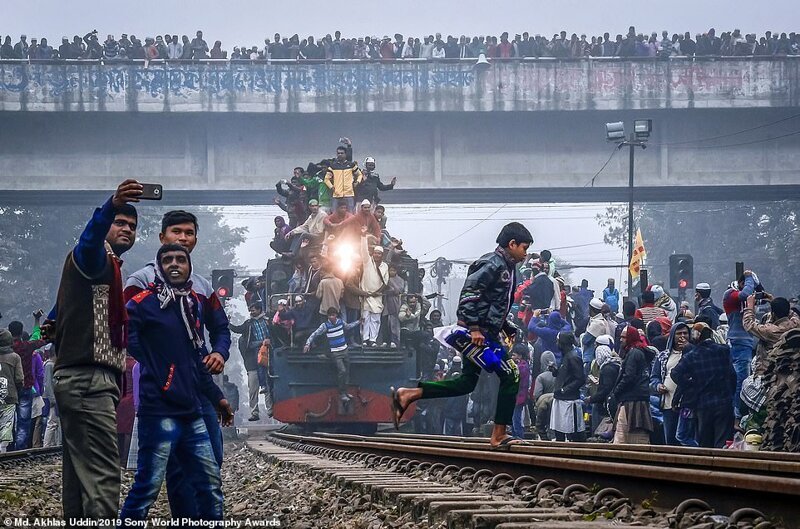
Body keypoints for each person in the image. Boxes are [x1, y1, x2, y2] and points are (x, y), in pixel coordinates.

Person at [123, 209, 230, 519]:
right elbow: (131, 333)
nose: (182, 238)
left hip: (198, 386)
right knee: (167, 471)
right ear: (162, 238)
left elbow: (220, 328)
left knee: (211, 459)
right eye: (176, 232)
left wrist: (219, 353)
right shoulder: (140, 281)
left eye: (189, 233)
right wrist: (164, 370)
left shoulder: (201, 286)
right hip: (162, 391)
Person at [391, 222, 533, 449]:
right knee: (511, 373)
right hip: (479, 337)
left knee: (466, 383)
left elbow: (492, 303)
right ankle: (499, 434)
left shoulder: (506, 266)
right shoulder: (493, 263)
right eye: (523, 248)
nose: (525, 254)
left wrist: (504, 325)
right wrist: (475, 328)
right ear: (512, 244)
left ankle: (408, 394)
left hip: (486, 333)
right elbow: (469, 295)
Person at [48, 179, 142, 518]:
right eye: (120, 222)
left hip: (79, 380)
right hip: (89, 380)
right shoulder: (92, 256)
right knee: (104, 479)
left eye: (132, 225)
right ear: (105, 226)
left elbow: (61, 311)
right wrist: (110, 206)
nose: (127, 228)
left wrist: (51, 322)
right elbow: (88, 239)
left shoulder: (104, 269)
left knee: (78, 481)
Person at [670, 323, 736, 448]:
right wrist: (730, 394)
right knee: (723, 444)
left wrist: (691, 384)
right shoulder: (723, 350)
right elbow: (732, 375)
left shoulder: (692, 356)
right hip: (724, 402)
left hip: (703, 405)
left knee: (705, 443)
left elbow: (675, 373)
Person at [650, 323, 698, 446]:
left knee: (685, 438)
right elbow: (654, 377)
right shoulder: (663, 356)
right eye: (679, 333)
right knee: (670, 440)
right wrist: (658, 386)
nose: (682, 336)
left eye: (685, 333)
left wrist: (690, 348)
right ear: (672, 336)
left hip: (688, 403)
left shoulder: (695, 353)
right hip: (668, 403)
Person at [304, 308, 361, 402]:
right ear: (328, 316)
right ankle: (342, 392)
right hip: (335, 352)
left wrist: (358, 322)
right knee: (342, 371)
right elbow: (315, 334)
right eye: (330, 315)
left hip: (344, 350)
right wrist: (308, 343)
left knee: (347, 371)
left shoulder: (341, 322)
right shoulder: (325, 326)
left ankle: (345, 391)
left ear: (336, 315)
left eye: (333, 315)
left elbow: (348, 326)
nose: (332, 317)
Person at [611, 326, 654, 444]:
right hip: (635, 398)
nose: (621, 340)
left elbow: (629, 376)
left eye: (624, 337)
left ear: (630, 338)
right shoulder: (636, 351)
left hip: (632, 400)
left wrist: (616, 391)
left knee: (625, 437)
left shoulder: (634, 353)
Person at [8, 317, 46, 450]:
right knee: (23, 422)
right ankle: (20, 448)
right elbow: (39, 339)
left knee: (8, 419)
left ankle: (8, 446)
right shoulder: (27, 347)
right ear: (22, 331)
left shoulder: (7, 349)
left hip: (9, 388)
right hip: (25, 387)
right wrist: (37, 321)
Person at [723, 270, 757, 417]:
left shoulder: (742, 299)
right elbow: (745, 294)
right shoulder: (731, 294)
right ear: (742, 283)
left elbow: (757, 293)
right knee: (740, 380)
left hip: (746, 342)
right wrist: (750, 277)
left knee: (743, 379)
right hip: (739, 342)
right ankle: (737, 415)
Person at [230, 303, 271, 422]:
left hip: (268, 357)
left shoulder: (268, 322)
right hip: (253, 360)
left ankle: (270, 409)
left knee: (268, 385)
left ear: (259, 309)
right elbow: (237, 329)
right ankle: (254, 412)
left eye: (253, 310)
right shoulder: (248, 324)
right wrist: (227, 323)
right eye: (250, 310)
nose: (251, 312)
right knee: (253, 388)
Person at [550, 332, 586, 442]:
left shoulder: (573, 357)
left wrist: (564, 390)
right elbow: (567, 375)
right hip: (561, 399)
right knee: (559, 431)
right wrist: (555, 371)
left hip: (569, 401)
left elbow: (580, 379)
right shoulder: (566, 355)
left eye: (558, 341)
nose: (556, 343)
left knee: (573, 433)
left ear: (562, 343)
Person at [584, 336, 620, 435]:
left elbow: (606, 389)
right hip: (611, 402)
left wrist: (592, 398)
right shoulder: (616, 364)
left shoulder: (607, 368)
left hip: (604, 404)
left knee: (599, 429)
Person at [359, 230, 388, 347]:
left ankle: (373, 340)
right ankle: (365, 339)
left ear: (382, 255)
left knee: (375, 319)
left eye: (379, 254)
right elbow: (363, 251)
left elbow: (385, 282)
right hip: (366, 295)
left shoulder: (385, 266)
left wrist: (377, 292)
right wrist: (363, 236)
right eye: (375, 253)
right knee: (365, 318)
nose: (377, 255)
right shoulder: (367, 262)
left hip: (377, 297)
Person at [0, 329, 23, 453]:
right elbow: (19, 379)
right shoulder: (15, 357)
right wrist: (17, 390)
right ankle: (2, 450)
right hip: (9, 397)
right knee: (7, 424)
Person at [324, 145, 363, 211]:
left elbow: (360, 174)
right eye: (338, 153)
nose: (340, 155)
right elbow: (326, 179)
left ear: (345, 154)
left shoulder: (351, 165)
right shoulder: (333, 166)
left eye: (342, 153)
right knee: (335, 213)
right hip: (336, 194)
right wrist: (331, 187)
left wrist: (357, 182)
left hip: (349, 194)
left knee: (350, 214)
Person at [531, 350, 557, 440]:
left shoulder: (541, 377)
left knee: (542, 426)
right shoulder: (559, 374)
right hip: (558, 404)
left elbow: (536, 394)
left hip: (544, 405)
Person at [511, 344, 530, 439]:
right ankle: (515, 436)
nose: (512, 357)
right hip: (516, 396)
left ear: (520, 356)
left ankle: (519, 437)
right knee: (513, 418)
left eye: (514, 355)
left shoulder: (522, 366)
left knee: (516, 419)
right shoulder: (521, 365)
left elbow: (514, 375)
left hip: (519, 397)